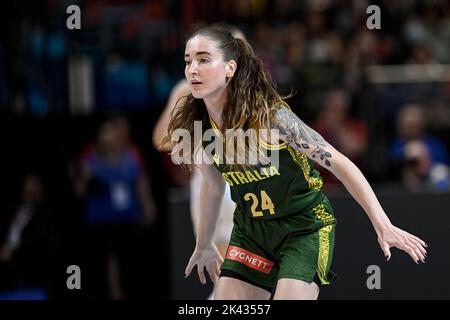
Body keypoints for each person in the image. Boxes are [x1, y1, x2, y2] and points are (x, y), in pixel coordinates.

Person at [163, 27, 427, 300]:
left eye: (203, 59)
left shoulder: (269, 118)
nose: (192, 69)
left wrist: (382, 223)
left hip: (303, 226)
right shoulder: (198, 125)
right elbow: (213, 184)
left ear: (230, 68)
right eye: (188, 60)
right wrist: (204, 243)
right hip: (252, 231)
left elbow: (338, 162)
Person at [152, 24, 246, 298]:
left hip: (247, 177)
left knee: (248, 264)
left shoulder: (249, 90)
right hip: (211, 180)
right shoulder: (189, 88)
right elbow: (161, 139)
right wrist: (197, 141)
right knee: (225, 262)